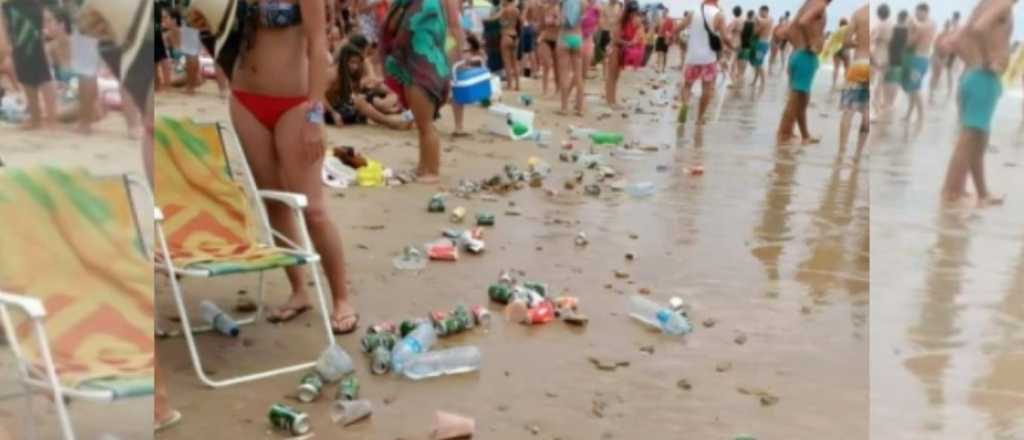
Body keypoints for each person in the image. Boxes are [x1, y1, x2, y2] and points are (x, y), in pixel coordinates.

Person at [211, 0, 360, 335]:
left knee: (314, 209)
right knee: (274, 202)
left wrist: (314, 112)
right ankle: (299, 291)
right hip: (246, 99)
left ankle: (341, 298)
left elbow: (318, 45)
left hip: (295, 103)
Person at [381, 0, 467, 182]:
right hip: (428, 65)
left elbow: (404, 30)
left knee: (426, 125)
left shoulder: (423, 3)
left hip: (423, 67)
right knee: (423, 125)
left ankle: (432, 170)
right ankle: (423, 166)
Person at [940, 0, 1015, 207]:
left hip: (974, 75)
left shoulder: (985, 4)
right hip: (983, 77)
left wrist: (973, 61)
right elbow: (979, 28)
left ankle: (982, 194)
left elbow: (952, 41)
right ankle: (950, 194)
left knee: (978, 141)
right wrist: (987, 57)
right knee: (970, 137)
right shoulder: (1004, 3)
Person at [775, 0, 828, 146]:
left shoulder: (809, 3)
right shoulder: (820, 4)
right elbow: (803, 22)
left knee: (802, 100)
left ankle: (804, 135)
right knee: (796, 100)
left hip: (799, 54)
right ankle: (783, 137)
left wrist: (799, 44)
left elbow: (786, 30)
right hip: (805, 56)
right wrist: (811, 42)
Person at [325, 43, 413, 129]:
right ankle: (391, 121)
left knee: (363, 98)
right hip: (327, 114)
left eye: (357, 63)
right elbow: (318, 97)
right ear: (344, 61)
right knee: (359, 101)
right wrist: (333, 113)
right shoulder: (333, 74)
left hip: (339, 108)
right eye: (352, 62)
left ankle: (396, 118)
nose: (355, 66)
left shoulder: (347, 73)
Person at [0, 0, 57, 130]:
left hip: (21, 9)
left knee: (39, 71)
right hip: (21, 9)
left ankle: (45, 118)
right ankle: (39, 117)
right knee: (28, 68)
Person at [677, 0, 733, 126]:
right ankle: (699, 117)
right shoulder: (719, 15)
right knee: (707, 88)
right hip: (709, 59)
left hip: (692, 58)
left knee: (687, 86)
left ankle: (685, 105)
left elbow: (679, 27)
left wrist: (672, 37)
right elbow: (725, 38)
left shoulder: (693, 12)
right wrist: (733, 47)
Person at [839, 5, 869, 154]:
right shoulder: (885, 18)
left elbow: (846, 42)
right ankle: (858, 154)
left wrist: (859, 43)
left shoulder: (858, 13)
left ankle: (842, 151)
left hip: (859, 64)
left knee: (848, 112)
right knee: (867, 113)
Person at [902, 3, 934, 130]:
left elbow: (922, 28)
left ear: (925, 12)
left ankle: (921, 117)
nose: (916, 15)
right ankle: (909, 114)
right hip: (915, 58)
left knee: (915, 88)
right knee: (910, 88)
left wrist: (911, 20)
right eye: (915, 13)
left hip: (921, 59)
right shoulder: (919, 25)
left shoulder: (930, 23)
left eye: (918, 13)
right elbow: (909, 42)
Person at [604, 0, 639, 107]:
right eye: (633, 12)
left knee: (616, 77)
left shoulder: (628, 21)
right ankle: (610, 101)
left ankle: (613, 100)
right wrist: (629, 43)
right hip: (615, 49)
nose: (634, 15)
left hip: (620, 49)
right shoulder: (620, 20)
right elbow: (615, 39)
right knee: (612, 76)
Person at [880, 10, 909, 121]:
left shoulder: (892, 28)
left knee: (885, 80)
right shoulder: (907, 30)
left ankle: (885, 101)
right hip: (900, 57)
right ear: (905, 18)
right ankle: (890, 103)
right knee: (894, 81)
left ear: (898, 17)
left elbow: (887, 42)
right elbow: (908, 45)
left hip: (888, 55)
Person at [557, 0, 583, 115]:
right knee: (578, 75)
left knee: (564, 74)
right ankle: (580, 108)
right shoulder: (583, 3)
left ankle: (564, 108)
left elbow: (561, 21)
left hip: (565, 37)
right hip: (577, 37)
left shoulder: (563, 2)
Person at [870, 4, 892, 114]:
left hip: (878, 55)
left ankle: (875, 111)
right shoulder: (892, 25)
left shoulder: (879, 26)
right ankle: (881, 107)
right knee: (881, 83)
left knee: (875, 85)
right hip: (888, 55)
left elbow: (872, 42)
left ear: (878, 14)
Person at [537, 0, 560, 95]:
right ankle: (544, 89)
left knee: (557, 66)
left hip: (557, 39)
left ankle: (558, 88)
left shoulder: (560, 10)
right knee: (546, 64)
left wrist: (555, 19)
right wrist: (540, 35)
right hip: (545, 38)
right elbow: (541, 25)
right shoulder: (544, 10)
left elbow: (561, 24)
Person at [928, 20, 952, 105]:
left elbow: (950, 48)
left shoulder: (950, 35)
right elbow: (935, 46)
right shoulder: (940, 35)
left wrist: (946, 58)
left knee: (938, 75)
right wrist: (936, 57)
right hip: (936, 56)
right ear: (944, 26)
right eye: (946, 26)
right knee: (935, 75)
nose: (948, 28)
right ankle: (930, 95)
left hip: (943, 57)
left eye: (949, 26)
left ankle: (932, 94)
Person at [498, 0, 520, 90]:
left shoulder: (505, 10)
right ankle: (517, 85)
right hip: (514, 35)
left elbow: (495, 18)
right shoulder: (516, 10)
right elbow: (518, 22)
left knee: (507, 62)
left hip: (506, 35)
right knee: (515, 62)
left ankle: (510, 85)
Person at [750, 5, 772, 93]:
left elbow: (763, 22)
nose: (760, 14)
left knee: (759, 63)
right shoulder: (761, 21)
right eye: (759, 12)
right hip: (759, 43)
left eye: (761, 12)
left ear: (765, 11)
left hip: (763, 44)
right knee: (756, 63)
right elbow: (755, 31)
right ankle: (755, 81)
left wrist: (756, 17)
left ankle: (763, 82)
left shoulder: (769, 19)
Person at [593, 0, 620, 69]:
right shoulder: (604, 6)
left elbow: (620, 21)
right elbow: (600, 20)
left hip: (615, 33)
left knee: (612, 55)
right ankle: (605, 76)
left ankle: (608, 75)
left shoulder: (619, 7)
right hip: (605, 32)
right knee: (606, 55)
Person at [735, 9, 756, 86]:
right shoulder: (754, 24)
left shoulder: (744, 22)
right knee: (744, 61)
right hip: (748, 45)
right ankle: (741, 77)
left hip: (741, 44)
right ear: (753, 16)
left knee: (739, 61)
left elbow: (740, 33)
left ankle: (739, 78)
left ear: (747, 15)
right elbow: (754, 35)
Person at [579, 0, 599, 78]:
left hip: (589, 37)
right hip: (579, 36)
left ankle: (583, 77)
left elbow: (598, 22)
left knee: (587, 59)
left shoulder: (596, 9)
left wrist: (595, 30)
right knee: (579, 62)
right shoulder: (580, 5)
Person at [830, 18, 850, 91]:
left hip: (836, 49)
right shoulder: (848, 32)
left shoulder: (836, 31)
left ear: (839, 24)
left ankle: (834, 84)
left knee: (836, 67)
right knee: (847, 67)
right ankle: (846, 83)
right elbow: (849, 42)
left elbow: (831, 42)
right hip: (845, 49)